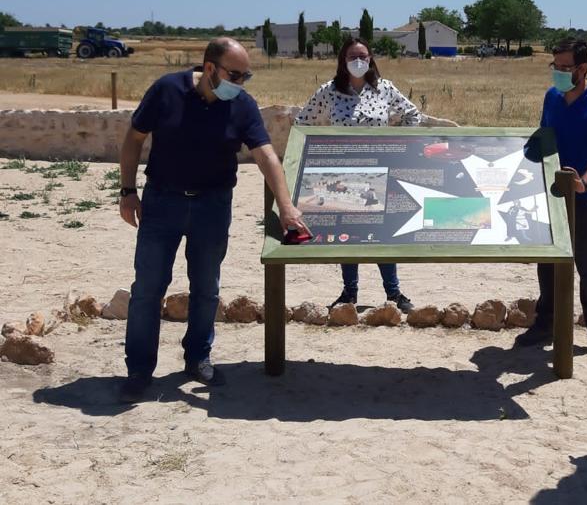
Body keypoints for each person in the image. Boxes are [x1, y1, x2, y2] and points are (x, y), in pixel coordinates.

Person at [117, 38, 309, 403]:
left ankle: (197, 358)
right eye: (235, 74)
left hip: (213, 205)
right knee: (147, 289)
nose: (241, 82)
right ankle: (139, 371)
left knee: (206, 287)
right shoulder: (166, 90)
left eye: (245, 75)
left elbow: (266, 155)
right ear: (209, 69)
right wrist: (127, 190)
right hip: (162, 203)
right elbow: (134, 137)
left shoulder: (241, 104)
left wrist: (286, 207)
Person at [296, 38, 457, 312]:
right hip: (343, 174)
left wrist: (396, 145)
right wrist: (322, 150)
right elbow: (303, 122)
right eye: (352, 56)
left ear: (370, 59)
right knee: (347, 234)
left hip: (379, 173)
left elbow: (412, 115)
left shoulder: (384, 88)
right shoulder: (329, 91)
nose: (358, 61)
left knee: (381, 234)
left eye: (363, 55)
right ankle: (349, 293)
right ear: (342, 60)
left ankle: (393, 293)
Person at [514, 39, 587, 361]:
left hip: (586, 198)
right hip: (551, 194)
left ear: (582, 68)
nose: (557, 72)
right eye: (554, 66)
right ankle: (546, 323)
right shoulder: (552, 98)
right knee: (548, 263)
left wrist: (584, 182)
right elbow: (544, 137)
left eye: (564, 67)